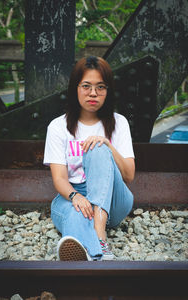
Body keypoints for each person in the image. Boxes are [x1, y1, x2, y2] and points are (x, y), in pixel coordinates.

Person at [43, 56, 135, 261]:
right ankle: (96, 254)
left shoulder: (119, 123)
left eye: (100, 87)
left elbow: (129, 176)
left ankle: (98, 232)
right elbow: (59, 179)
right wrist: (76, 197)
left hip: (114, 198)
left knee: (98, 148)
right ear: (75, 88)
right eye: (86, 86)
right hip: (74, 194)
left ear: (107, 91)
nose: (93, 93)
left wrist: (107, 145)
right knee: (75, 213)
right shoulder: (58, 127)